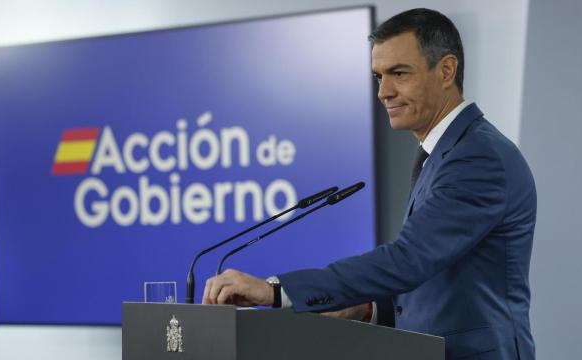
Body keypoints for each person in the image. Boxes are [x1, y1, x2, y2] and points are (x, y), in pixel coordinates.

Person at [203, 8, 536, 360]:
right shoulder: (444, 153)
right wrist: (367, 310)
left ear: (446, 70)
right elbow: (439, 286)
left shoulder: (478, 157)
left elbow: (409, 260)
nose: (383, 92)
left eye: (399, 73)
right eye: (378, 76)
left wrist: (275, 291)